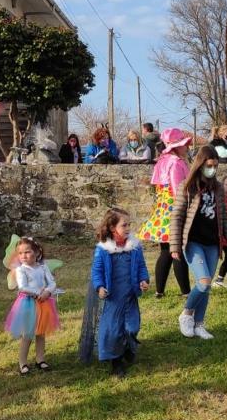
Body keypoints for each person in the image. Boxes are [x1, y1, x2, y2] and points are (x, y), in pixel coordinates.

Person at [170, 146, 227, 340]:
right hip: (192, 243)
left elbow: (224, 218)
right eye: (209, 166)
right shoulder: (187, 187)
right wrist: (174, 246)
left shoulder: (218, 188)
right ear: (200, 164)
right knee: (203, 282)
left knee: (207, 287)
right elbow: (176, 217)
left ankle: (199, 324)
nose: (213, 170)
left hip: (212, 244)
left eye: (216, 166)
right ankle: (186, 314)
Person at [80, 207, 150, 377]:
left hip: (130, 295)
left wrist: (144, 280)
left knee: (132, 327)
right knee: (113, 331)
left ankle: (127, 346)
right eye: (124, 225)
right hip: (112, 298)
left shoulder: (134, 247)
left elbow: (141, 266)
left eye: (129, 225)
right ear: (112, 228)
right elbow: (96, 272)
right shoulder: (103, 250)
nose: (128, 228)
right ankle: (116, 362)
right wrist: (99, 287)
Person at [138, 128, 192, 298]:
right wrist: (186, 208)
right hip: (174, 209)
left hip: (163, 209)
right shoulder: (176, 163)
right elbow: (179, 189)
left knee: (165, 251)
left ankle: (159, 291)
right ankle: (186, 292)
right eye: (184, 144)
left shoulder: (163, 161)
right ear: (176, 146)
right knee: (177, 250)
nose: (187, 147)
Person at [4, 236, 59, 375]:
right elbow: (22, 287)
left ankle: (40, 359)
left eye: (27, 252)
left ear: (37, 252)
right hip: (28, 303)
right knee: (27, 334)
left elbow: (52, 282)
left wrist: (47, 291)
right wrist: (38, 293)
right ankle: (22, 362)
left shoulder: (42, 267)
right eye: (20, 253)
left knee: (41, 332)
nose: (23, 256)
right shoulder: (21, 270)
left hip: (43, 302)